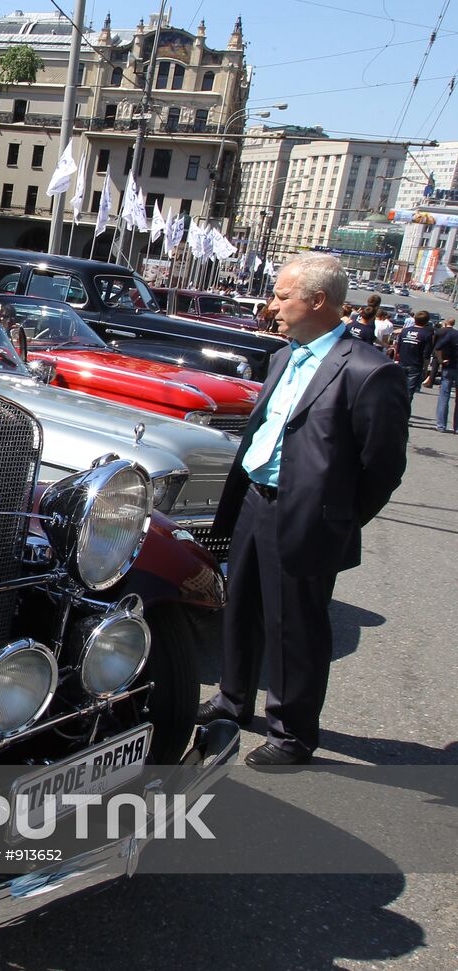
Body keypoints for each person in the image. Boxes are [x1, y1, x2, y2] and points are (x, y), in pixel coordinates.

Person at [196, 254, 408, 765]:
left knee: (295, 626)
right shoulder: (284, 356)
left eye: (282, 296)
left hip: (307, 515)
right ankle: (232, 700)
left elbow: (382, 466)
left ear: (317, 302)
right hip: (253, 500)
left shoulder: (369, 371)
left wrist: (337, 516)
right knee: (240, 606)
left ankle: (291, 734)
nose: (272, 306)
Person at [394, 310, 434, 407]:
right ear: (427, 321)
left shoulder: (405, 331)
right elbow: (426, 354)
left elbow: (398, 347)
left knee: (397, 390)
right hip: (415, 365)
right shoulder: (427, 334)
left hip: (402, 362)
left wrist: (396, 359)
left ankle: (393, 414)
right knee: (409, 392)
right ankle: (402, 417)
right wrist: (426, 368)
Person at [434, 318, 458, 432]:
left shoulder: (453, 335)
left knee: (444, 395)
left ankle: (441, 425)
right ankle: (457, 427)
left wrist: (440, 360)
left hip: (449, 366)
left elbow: (438, 347)